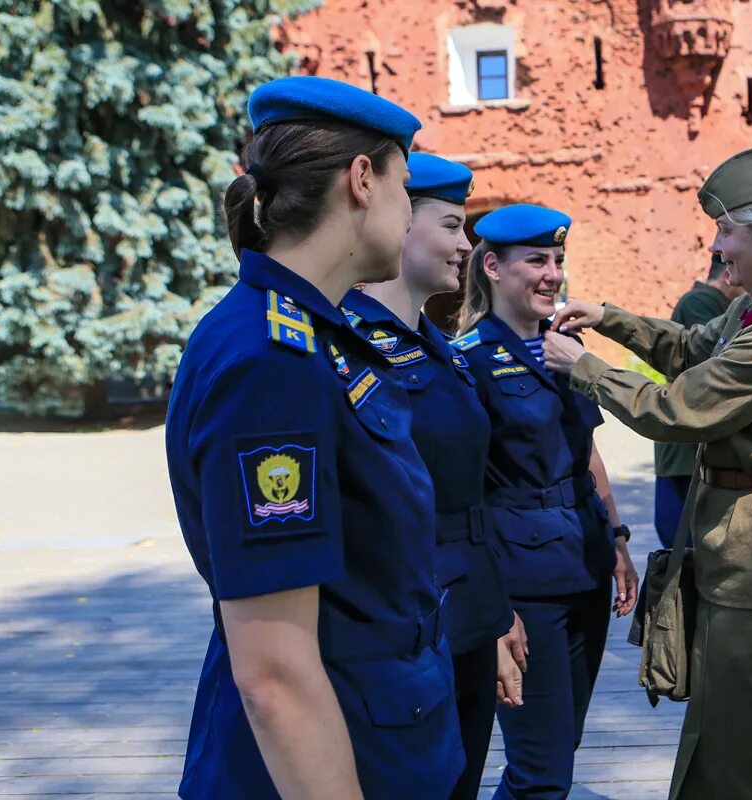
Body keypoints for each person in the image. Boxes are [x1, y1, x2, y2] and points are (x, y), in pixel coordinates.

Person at [165, 76, 463, 799]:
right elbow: (275, 674)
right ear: (363, 180)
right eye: (404, 184)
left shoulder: (317, 338)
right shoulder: (271, 360)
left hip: (386, 741)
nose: (406, 207)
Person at [545, 146, 752, 800]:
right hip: (735, 543)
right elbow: (687, 349)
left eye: (726, 231)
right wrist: (610, 319)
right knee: (726, 724)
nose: (717, 246)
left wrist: (582, 367)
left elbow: (679, 407)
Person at [338, 153, 523, 800]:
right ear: (399, 223)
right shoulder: (347, 345)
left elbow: (468, 496)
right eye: (451, 226)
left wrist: (496, 614)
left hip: (466, 619)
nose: (466, 245)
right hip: (403, 633)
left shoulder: (436, 346)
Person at [451, 204, 639, 799]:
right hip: (523, 585)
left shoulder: (564, 348)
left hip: (584, 567)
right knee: (541, 769)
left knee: (561, 748)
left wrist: (617, 539)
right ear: (492, 267)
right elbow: (461, 493)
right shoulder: (469, 361)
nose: (553, 274)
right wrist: (491, 604)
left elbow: (586, 452)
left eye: (557, 260)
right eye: (536, 260)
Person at [652, 253, 744, 548]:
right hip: (682, 453)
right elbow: (716, 365)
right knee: (681, 541)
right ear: (727, 276)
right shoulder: (699, 303)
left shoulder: (715, 304)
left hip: (691, 447)